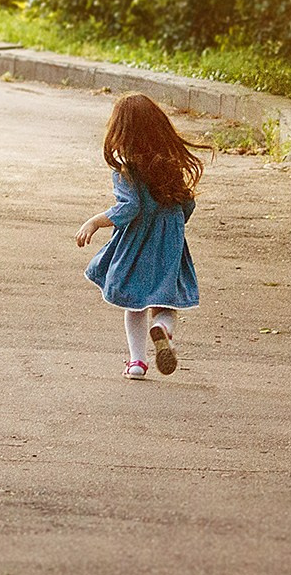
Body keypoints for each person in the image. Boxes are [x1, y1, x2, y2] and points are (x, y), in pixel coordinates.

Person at [75, 93, 205, 379]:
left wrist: (96, 222)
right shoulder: (171, 162)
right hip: (169, 242)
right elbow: (188, 204)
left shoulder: (125, 167)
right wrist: (173, 227)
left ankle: (137, 363)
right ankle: (164, 330)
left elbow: (130, 206)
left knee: (133, 302)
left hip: (137, 242)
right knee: (165, 301)